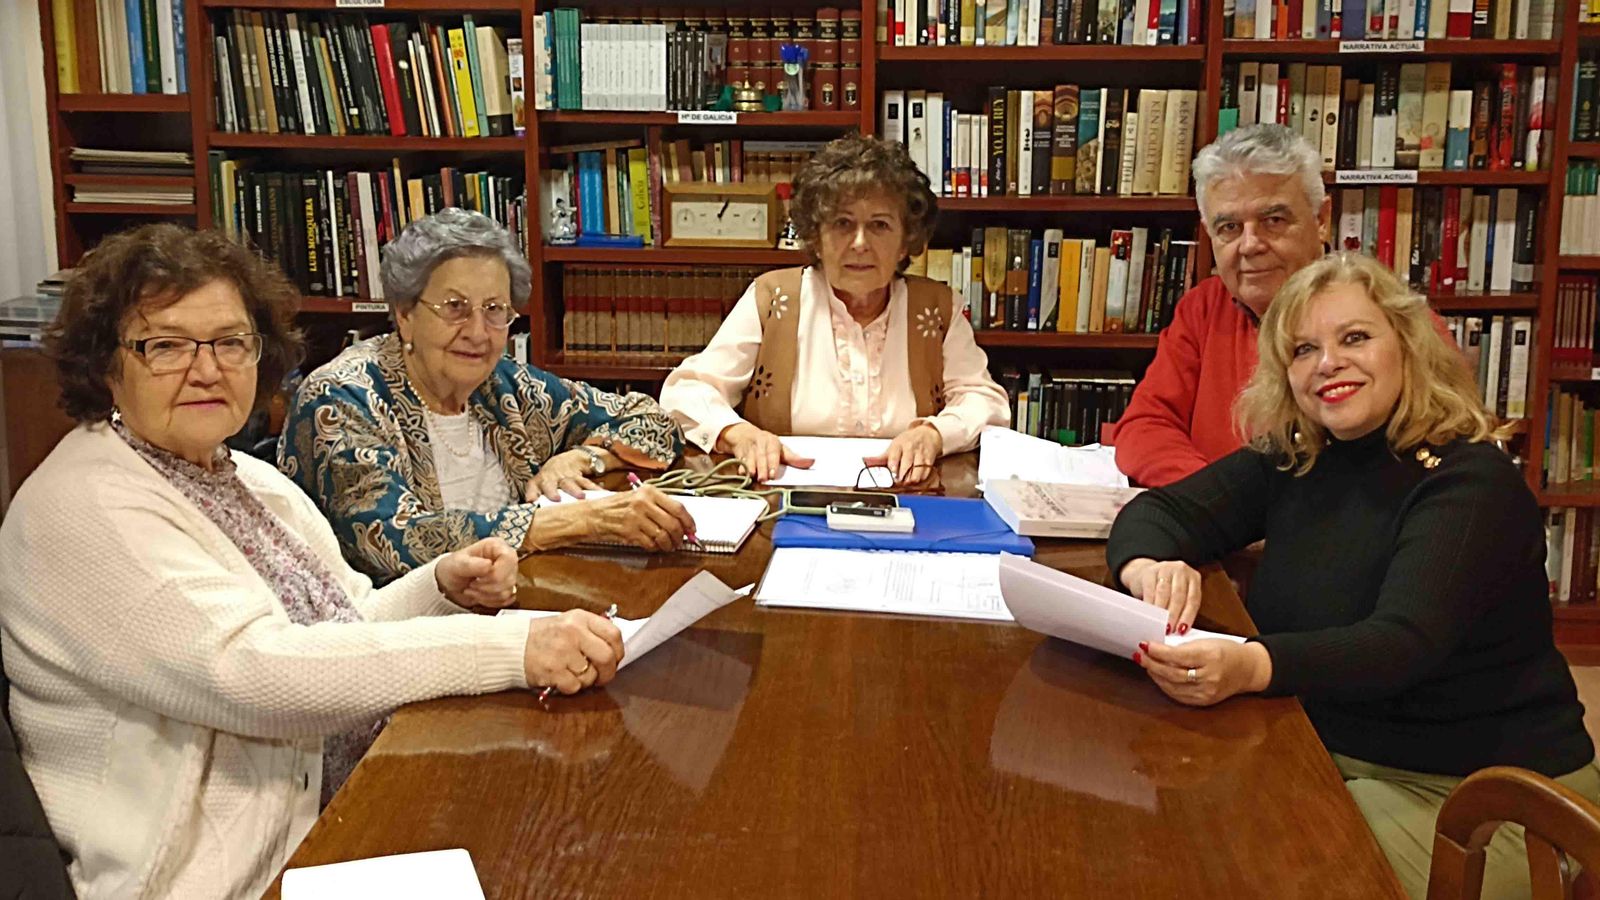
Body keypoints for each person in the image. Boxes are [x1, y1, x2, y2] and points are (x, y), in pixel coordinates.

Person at [0, 224, 625, 899]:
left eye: (231, 342)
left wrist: (440, 586)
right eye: (167, 346)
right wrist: (511, 645)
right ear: (104, 364)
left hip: (344, 812)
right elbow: (254, 675)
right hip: (225, 877)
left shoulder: (242, 476)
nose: (207, 369)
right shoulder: (84, 504)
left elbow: (344, 619)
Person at [1105, 252, 1596, 900]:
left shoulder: (1467, 480)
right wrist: (1151, 567)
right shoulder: (1301, 457)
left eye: (1354, 338)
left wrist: (1250, 664)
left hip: (1487, 798)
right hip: (1333, 751)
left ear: (1408, 347)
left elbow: (1399, 643)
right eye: (1304, 349)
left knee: (1243, 871)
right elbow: (1159, 511)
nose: (1327, 362)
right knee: (1160, 823)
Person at [279, 208, 694, 584]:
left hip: (506, 607)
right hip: (384, 637)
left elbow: (654, 423)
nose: (478, 332)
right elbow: (392, 540)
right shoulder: (342, 398)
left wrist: (585, 457)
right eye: (455, 307)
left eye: (495, 309)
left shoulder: (503, 386)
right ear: (405, 314)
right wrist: (578, 521)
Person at [658, 133, 1010, 485]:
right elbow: (686, 390)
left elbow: (984, 400)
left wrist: (935, 434)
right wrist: (738, 434)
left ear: (906, 243)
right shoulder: (773, 298)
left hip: (913, 497)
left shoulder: (937, 309)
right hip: (786, 501)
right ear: (816, 236)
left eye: (879, 225)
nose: (859, 243)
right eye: (842, 223)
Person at [1114, 123, 1333, 487]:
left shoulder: (1386, 315)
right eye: (1230, 227)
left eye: (1273, 221)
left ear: (1321, 220)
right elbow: (1144, 427)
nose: (1250, 245)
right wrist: (1222, 502)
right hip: (1216, 532)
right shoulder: (1203, 308)